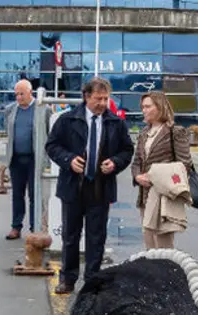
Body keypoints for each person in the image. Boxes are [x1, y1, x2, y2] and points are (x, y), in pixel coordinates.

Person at [45, 77, 134, 294]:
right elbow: (52, 146)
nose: (103, 103)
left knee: (97, 237)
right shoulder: (67, 120)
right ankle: (67, 279)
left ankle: (92, 281)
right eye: (98, 99)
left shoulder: (116, 123)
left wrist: (115, 163)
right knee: (70, 236)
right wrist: (68, 160)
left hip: (100, 189)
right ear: (86, 97)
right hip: (73, 188)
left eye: (106, 98)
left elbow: (127, 151)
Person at [131, 91, 193, 249]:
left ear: (160, 107)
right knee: (149, 244)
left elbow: (184, 164)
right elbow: (136, 161)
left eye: (148, 106)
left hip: (164, 196)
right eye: (142, 107)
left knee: (164, 247)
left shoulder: (175, 131)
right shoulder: (144, 133)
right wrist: (137, 176)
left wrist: (157, 175)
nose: (144, 110)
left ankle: (167, 273)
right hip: (144, 196)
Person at [3, 79, 48, 240]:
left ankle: (34, 227)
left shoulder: (43, 109)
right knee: (17, 194)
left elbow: (49, 133)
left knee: (35, 194)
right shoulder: (10, 110)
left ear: (30, 92)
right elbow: (8, 132)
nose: (19, 97)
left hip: (34, 160)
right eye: (16, 94)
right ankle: (16, 227)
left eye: (21, 94)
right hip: (16, 160)